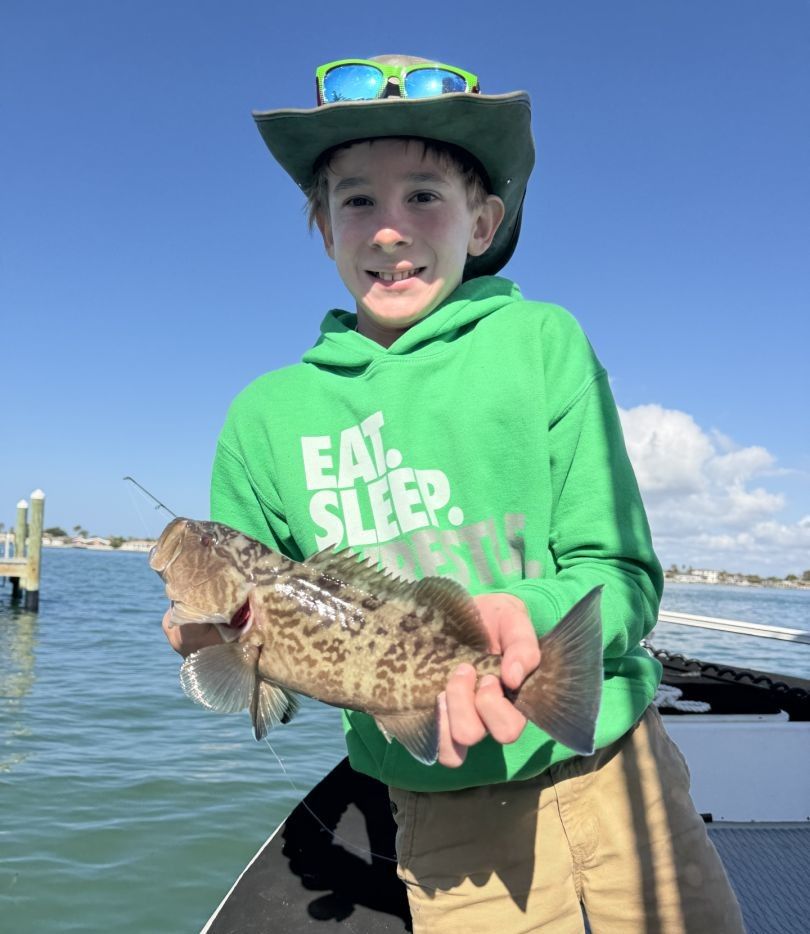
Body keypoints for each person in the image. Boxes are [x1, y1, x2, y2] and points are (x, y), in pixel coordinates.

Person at [163, 54, 744, 932]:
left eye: (425, 195)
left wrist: (527, 618)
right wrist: (215, 640)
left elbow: (622, 573)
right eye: (358, 200)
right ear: (322, 227)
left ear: (483, 222)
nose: (389, 229)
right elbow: (263, 668)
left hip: (620, 771)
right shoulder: (263, 417)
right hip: (438, 801)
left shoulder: (541, 343)